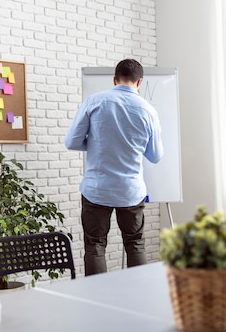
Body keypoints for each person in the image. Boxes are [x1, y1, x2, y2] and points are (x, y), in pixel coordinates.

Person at [65, 59, 164, 276]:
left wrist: (95, 144)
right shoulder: (148, 110)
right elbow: (156, 156)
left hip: (96, 189)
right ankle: (138, 297)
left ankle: (98, 301)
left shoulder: (95, 101)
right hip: (130, 190)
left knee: (95, 246)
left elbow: (71, 142)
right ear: (139, 82)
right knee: (135, 244)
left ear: (114, 79)